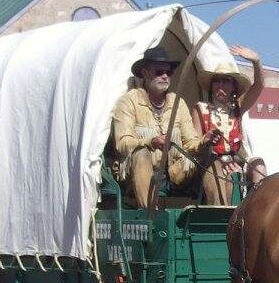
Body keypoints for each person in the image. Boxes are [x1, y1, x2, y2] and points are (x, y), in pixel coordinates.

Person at [111, 46, 220, 207]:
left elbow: (190, 143)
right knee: (141, 153)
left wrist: (205, 141)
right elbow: (122, 143)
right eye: (159, 72)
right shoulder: (129, 101)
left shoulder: (178, 103)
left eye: (168, 73)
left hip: (175, 173)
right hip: (138, 175)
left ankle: (218, 217)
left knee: (212, 159)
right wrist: (150, 141)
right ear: (146, 74)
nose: (165, 76)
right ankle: (150, 215)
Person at [192, 45, 267, 205]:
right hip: (209, 162)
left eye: (225, 81)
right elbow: (194, 146)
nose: (220, 85)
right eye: (217, 81)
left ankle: (255, 211)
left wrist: (256, 62)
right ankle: (220, 220)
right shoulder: (201, 109)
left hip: (237, 161)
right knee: (217, 172)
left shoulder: (238, 106)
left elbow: (259, 85)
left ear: (233, 86)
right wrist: (206, 140)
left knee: (259, 165)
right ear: (211, 86)